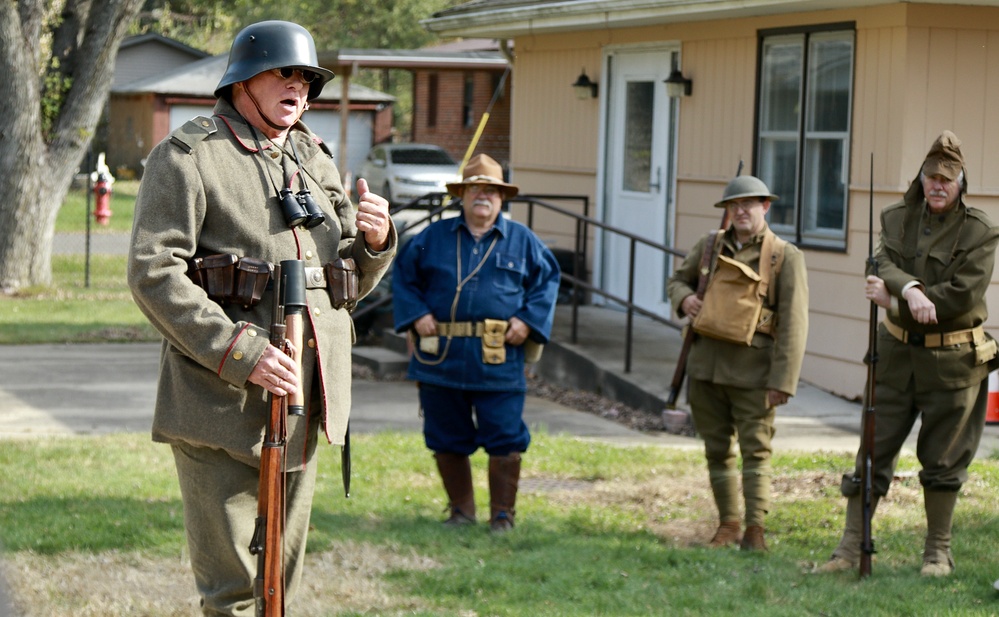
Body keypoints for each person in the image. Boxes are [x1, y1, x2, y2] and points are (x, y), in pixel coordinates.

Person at [127, 21, 396, 616]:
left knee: (281, 584)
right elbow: (153, 272)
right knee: (233, 593)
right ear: (245, 81)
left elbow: (342, 280)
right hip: (219, 404)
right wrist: (242, 353)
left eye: (307, 78)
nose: (299, 88)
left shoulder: (312, 157)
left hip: (306, 399)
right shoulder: (188, 157)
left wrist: (375, 244)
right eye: (285, 73)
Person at [815, 131, 999, 576]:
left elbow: (958, 298)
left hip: (952, 363)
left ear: (961, 183)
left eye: (947, 179)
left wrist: (894, 300)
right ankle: (848, 549)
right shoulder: (895, 217)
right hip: (894, 356)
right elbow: (878, 265)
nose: (938, 185)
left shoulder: (980, 231)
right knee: (873, 449)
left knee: (944, 459)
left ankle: (937, 553)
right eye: (931, 176)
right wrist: (912, 289)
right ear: (921, 177)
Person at [391, 154, 560, 532]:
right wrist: (415, 313)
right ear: (462, 194)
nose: (482, 195)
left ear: (502, 198)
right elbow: (403, 278)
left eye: (491, 190)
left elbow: (547, 282)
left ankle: (502, 515)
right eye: (474, 188)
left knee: (505, 436)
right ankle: (461, 512)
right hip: (441, 358)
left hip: (498, 359)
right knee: (445, 435)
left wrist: (528, 319)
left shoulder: (523, 241)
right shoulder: (430, 239)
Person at [666, 175, 809, 552]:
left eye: (750, 203)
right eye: (735, 204)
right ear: (727, 210)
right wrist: (684, 300)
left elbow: (794, 323)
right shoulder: (709, 245)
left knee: (756, 449)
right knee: (716, 448)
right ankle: (728, 525)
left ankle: (755, 529)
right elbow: (677, 281)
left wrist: (784, 381)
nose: (741, 210)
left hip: (754, 372)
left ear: (766, 207)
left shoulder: (783, 255)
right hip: (706, 367)